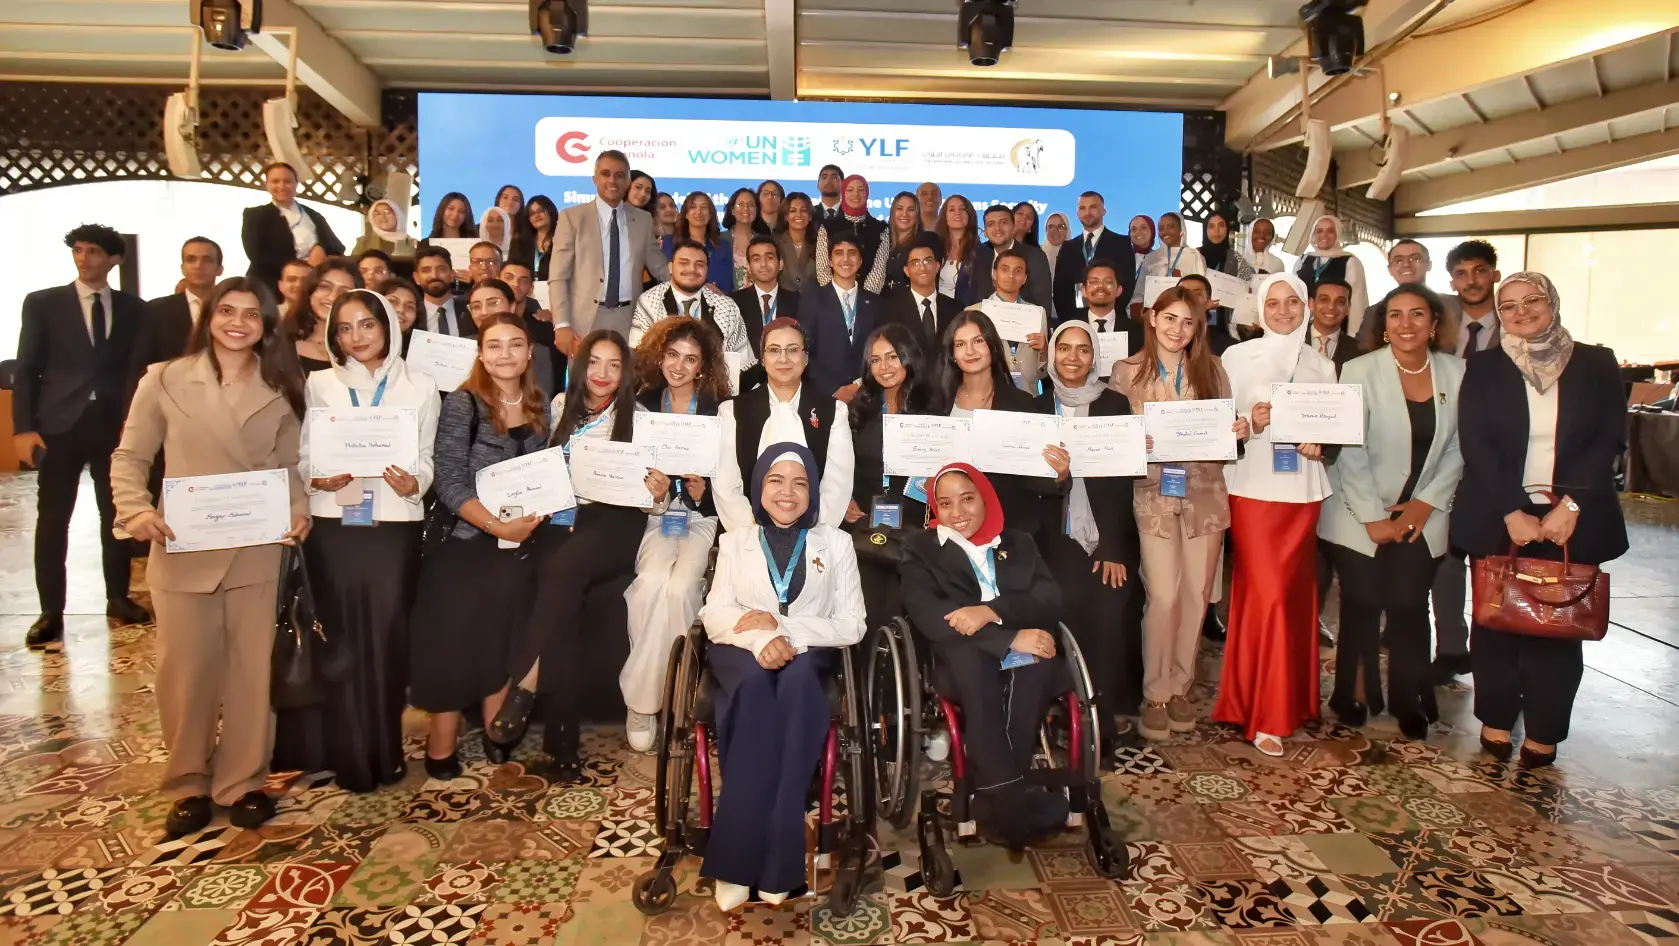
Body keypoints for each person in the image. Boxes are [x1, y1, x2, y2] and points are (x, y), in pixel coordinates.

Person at [110, 276, 310, 836]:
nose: (237, 323)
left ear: (266, 325)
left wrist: (300, 511)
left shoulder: (281, 385)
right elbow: (130, 456)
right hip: (184, 544)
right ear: (209, 317)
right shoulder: (165, 379)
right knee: (186, 674)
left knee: (251, 673)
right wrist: (135, 510)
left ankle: (243, 782)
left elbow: (291, 466)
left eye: (251, 314)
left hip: (256, 546)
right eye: (227, 311)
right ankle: (188, 784)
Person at [1454, 272, 1626, 769]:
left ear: (1552, 302)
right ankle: (1495, 718)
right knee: (1495, 623)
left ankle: (1545, 731)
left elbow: (1609, 438)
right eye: (1508, 305)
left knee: (1558, 628)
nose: (1522, 311)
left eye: (1532, 300)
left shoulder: (1595, 362)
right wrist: (1511, 510)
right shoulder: (1485, 366)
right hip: (1499, 513)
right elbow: (1476, 442)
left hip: (1574, 515)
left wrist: (1570, 505)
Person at [276, 290, 438, 791]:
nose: (356, 336)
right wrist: (317, 478)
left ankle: (385, 750)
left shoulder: (421, 385)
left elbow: (427, 457)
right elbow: (306, 454)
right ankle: (350, 756)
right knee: (341, 640)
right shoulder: (320, 383)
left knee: (386, 639)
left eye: (367, 324)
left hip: (393, 525)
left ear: (387, 326)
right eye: (345, 328)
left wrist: (416, 483)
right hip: (335, 524)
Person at [488, 331, 667, 777]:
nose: (602, 374)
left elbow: (655, 500)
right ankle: (562, 744)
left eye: (614, 365)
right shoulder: (558, 405)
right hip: (565, 516)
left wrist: (660, 493)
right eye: (595, 362)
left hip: (617, 521)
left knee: (562, 569)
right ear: (580, 365)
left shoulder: (641, 417)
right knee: (557, 596)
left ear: (625, 373)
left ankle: (524, 684)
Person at [700, 442, 867, 911]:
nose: (787, 492)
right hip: (740, 650)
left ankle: (778, 865)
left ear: (813, 492)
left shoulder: (836, 543)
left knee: (796, 688)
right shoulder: (735, 541)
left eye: (800, 483)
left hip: (807, 650)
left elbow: (853, 623)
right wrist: (760, 639)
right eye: (776, 481)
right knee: (754, 687)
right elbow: (714, 613)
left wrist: (783, 628)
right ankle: (736, 865)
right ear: (759, 487)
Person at [1319, 284, 1465, 738]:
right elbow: (1349, 448)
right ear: (1383, 325)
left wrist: (1424, 503)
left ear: (1434, 323)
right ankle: (1354, 693)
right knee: (1362, 601)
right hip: (1356, 509)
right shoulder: (1358, 370)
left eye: (1417, 314)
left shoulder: (1457, 373)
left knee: (1408, 604)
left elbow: (1461, 446)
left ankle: (1409, 698)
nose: (1406, 324)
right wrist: (1373, 517)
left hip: (1424, 513)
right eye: (1395, 314)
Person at [408, 315, 549, 779]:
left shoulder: (539, 406)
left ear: (529, 353)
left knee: (500, 639)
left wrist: (535, 517)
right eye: (495, 345)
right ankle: (442, 739)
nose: (505, 354)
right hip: (462, 545)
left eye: (515, 344)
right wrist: (494, 525)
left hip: (514, 549)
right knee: (450, 644)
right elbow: (448, 480)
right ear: (481, 354)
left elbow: (544, 478)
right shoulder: (462, 403)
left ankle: (495, 731)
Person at [899, 463, 1069, 847]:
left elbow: (1049, 598)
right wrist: (1008, 639)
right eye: (945, 503)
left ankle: (999, 799)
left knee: (1034, 667)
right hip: (962, 657)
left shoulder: (1020, 542)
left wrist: (992, 611)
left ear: (985, 497)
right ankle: (1011, 805)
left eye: (967, 499)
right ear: (935, 508)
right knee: (973, 667)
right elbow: (928, 613)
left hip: (1026, 650)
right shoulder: (921, 548)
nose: (957, 512)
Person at [1110, 286, 1245, 742]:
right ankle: (1154, 692)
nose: (1177, 329)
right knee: (1164, 596)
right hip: (1152, 497)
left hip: (1204, 496)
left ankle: (1180, 685)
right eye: (1170, 318)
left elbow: (1227, 438)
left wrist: (1238, 431)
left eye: (1188, 322)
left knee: (1196, 595)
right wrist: (1134, 442)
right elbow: (1113, 437)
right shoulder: (1126, 372)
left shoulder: (1214, 370)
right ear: (1152, 318)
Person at [1212, 274, 1334, 755]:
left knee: (1295, 597)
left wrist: (1321, 442)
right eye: (1273, 303)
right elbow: (1220, 422)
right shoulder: (1236, 357)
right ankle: (1264, 712)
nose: (1283, 311)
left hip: (1303, 493)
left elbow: (1333, 425)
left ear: (1306, 306)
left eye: (1292, 302)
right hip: (1255, 491)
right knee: (1267, 597)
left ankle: (1288, 700)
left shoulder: (1322, 363)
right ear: (1259, 310)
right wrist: (1249, 423)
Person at [14, 225, 151, 646]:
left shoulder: (134, 309)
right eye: (77, 249)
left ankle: (118, 598)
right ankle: (50, 612)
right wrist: (24, 428)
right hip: (59, 426)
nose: (83, 257)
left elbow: (139, 369)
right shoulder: (43, 303)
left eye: (92, 251)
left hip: (114, 426)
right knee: (53, 519)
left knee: (117, 515)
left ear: (114, 259)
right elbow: (27, 368)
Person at [622, 319, 731, 752]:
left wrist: (705, 495)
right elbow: (629, 474)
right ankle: (644, 703)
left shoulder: (719, 410)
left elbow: (732, 478)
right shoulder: (642, 404)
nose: (679, 366)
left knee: (682, 588)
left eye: (690, 359)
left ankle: (678, 695)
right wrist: (655, 494)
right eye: (672, 355)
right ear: (659, 356)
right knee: (649, 584)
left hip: (701, 518)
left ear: (703, 366)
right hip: (658, 515)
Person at [1034, 321, 1143, 746]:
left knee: (1108, 615)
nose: (1073, 357)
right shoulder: (1036, 407)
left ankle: (1102, 719)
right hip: (1053, 536)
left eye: (1083, 349)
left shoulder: (1114, 403)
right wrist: (1058, 477)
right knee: (1069, 606)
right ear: (1052, 354)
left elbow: (1121, 482)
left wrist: (1112, 547)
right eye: (1064, 348)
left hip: (1106, 536)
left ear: (1094, 357)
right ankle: (1066, 711)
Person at [1430, 239, 1504, 683]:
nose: (1471, 281)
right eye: (1461, 273)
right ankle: (1452, 648)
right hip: (1444, 455)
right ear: (1452, 280)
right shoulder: (1439, 330)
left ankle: (1495, 649)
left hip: (1497, 460)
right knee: (1446, 555)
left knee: (1495, 561)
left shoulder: (1515, 328)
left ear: (1494, 274)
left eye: (1479, 271)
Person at [715, 318, 854, 533]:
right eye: (773, 350)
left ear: (806, 357)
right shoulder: (732, 411)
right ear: (762, 359)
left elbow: (837, 484)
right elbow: (726, 485)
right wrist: (754, 534)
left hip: (814, 534)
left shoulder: (833, 411)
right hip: (748, 533)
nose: (783, 358)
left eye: (793, 350)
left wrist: (813, 534)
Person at [846, 322, 940, 627]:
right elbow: (843, 463)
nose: (884, 367)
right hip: (863, 518)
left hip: (913, 520)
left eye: (892, 357)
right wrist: (844, 499)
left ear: (908, 357)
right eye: (875, 360)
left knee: (900, 606)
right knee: (867, 604)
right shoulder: (860, 408)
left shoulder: (933, 407)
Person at [939, 310, 1057, 539]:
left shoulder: (1020, 404)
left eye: (978, 341)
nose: (970, 351)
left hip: (1006, 528)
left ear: (992, 347)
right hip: (950, 528)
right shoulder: (937, 402)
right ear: (952, 354)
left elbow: (1036, 480)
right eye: (960, 344)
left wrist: (1058, 473)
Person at [548, 150, 671, 355]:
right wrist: (561, 324)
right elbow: (558, 276)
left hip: (630, 319)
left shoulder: (643, 220)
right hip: (584, 321)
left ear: (628, 181)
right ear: (594, 178)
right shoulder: (572, 217)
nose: (612, 180)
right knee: (585, 375)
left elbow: (659, 267)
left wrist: (694, 284)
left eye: (620, 175)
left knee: (628, 374)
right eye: (605, 174)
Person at [631, 239, 755, 363]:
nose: (692, 269)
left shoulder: (726, 306)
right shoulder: (649, 301)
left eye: (700, 264)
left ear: (707, 270)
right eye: (684, 263)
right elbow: (641, 356)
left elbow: (742, 361)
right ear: (670, 268)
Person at [802, 230, 885, 399]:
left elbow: (882, 350)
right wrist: (834, 389)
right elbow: (803, 351)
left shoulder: (876, 303)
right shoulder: (811, 301)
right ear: (830, 261)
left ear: (860, 261)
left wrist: (859, 385)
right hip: (823, 395)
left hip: (866, 393)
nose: (846, 259)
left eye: (852, 253)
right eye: (839, 253)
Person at [242, 162, 345, 294]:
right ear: (266, 185)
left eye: (287, 181)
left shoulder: (313, 215)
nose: (282, 186)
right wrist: (299, 267)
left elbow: (336, 247)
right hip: (269, 286)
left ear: (296, 184)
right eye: (275, 181)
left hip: (310, 284)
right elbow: (255, 255)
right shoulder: (256, 215)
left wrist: (320, 248)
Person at [965, 246, 1049, 391]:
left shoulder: (1038, 314)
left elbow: (1043, 373)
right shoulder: (973, 312)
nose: (1011, 276)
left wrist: (1044, 352)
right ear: (994, 274)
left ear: (1025, 278)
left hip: (1027, 394)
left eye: (1018, 271)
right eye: (1005, 269)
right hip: (987, 393)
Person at [1356, 240, 1462, 352]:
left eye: (1415, 259)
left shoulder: (1455, 304)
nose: (1406, 265)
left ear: (1429, 265)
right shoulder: (1373, 312)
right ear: (1390, 269)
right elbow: (1362, 351)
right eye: (1398, 261)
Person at [143, 236, 224, 366]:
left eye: (207, 260)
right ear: (182, 268)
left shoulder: (233, 309)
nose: (198, 266)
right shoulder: (156, 310)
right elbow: (141, 360)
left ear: (220, 269)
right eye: (191, 260)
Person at [1053, 192, 1130, 323]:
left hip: (1110, 322)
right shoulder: (1067, 247)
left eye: (1093, 207)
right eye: (1082, 208)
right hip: (1074, 322)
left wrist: (1105, 318)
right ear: (1077, 213)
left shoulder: (1121, 243)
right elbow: (1059, 290)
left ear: (1104, 211)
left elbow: (1126, 286)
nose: (1087, 212)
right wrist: (1070, 321)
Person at [884, 233, 960, 356]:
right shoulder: (889, 310)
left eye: (927, 261)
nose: (922, 267)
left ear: (937, 266)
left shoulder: (956, 309)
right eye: (915, 263)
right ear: (906, 271)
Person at [1294, 215, 1369, 336]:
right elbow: (1294, 294)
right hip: (1303, 329)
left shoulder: (1350, 262)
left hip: (1336, 329)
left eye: (1330, 231)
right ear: (1313, 234)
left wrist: (1353, 336)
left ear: (1337, 233)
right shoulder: (1303, 260)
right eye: (1319, 231)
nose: (1324, 235)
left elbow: (1357, 303)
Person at [972, 204, 1053, 316]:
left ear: (1014, 228)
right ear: (985, 232)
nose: (997, 228)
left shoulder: (1035, 257)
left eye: (1003, 222)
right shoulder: (977, 256)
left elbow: (1043, 305)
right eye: (991, 224)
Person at [815, 175, 890, 293]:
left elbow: (878, 271)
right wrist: (837, 297)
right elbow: (822, 269)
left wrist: (862, 299)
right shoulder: (828, 227)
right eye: (850, 190)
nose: (856, 194)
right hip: (832, 298)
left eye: (861, 190)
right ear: (843, 193)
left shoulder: (880, 229)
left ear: (866, 194)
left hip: (869, 298)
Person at [730, 234, 800, 359]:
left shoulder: (798, 302)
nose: (763, 264)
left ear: (780, 264)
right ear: (748, 267)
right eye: (756, 259)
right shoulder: (733, 303)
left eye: (769, 257)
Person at [286, 260, 361, 375]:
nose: (333, 297)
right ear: (310, 290)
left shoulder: (363, 346)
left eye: (344, 291)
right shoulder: (280, 342)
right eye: (325, 287)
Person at [1075, 259, 1144, 374]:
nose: (1100, 286)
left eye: (1108, 282)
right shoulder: (1070, 328)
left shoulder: (1137, 332)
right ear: (1084, 291)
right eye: (1093, 282)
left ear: (1119, 290)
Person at [1200, 210, 1257, 340]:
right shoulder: (1194, 256)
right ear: (1205, 230)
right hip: (1196, 324)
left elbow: (1247, 289)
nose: (1217, 231)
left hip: (1226, 326)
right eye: (1211, 226)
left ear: (1227, 230)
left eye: (1221, 225)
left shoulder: (1237, 259)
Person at [663, 192, 735, 293]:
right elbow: (665, 277)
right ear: (686, 214)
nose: (699, 211)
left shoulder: (723, 246)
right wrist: (702, 285)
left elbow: (728, 284)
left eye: (704, 207)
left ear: (710, 215)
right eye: (693, 207)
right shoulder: (668, 243)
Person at [414, 245, 471, 337]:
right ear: (416, 278)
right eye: (426, 271)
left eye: (441, 270)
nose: (434, 276)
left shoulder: (471, 310)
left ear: (452, 275)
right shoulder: (412, 315)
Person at [1307, 278, 1359, 373]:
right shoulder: (1292, 341)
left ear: (1348, 308)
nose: (1331, 307)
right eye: (1324, 300)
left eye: (1340, 302)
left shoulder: (1359, 351)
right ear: (1311, 304)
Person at [935, 195, 981, 306]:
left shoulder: (981, 252)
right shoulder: (935, 248)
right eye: (951, 209)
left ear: (969, 215)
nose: (957, 213)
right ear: (944, 216)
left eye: (962, 209)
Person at [881, 191, 924, 297]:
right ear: (892, 212)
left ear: (917, 214)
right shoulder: (881, 239)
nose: (904, 214)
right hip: (881, 302)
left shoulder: (924, 242)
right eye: (899, 208)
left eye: (911, 210)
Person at [775, 192, 819, 294]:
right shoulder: (775, 242)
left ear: (810, 216)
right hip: (783, 300)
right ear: (786, 216)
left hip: (814, 300)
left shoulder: (820, 243)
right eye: (793, 211)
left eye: (803, 210)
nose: (798, 214)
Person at [1142, 213, 1205, 281]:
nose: (1165, 231)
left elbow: (1202, 283)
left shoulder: (1194, 255)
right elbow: (1140, 286)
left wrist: (1182, 276)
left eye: (1170, 227)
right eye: (1161, 228)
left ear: (1181, 229)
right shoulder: (1151, 258)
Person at [511, 195, 559, 280]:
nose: (536, 215)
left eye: (540, 210)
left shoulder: (563, 241)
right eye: (532, 213)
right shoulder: (519, 244)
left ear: (550, 211)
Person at [722, 187, 761, 291]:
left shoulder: (764, 242)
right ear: (732, 210)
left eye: (751, 205)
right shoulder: (719, 240)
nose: (746, 208)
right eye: (740, 204)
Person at [378, 276, 421, 355]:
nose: (401, 310)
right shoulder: (358, 343)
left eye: (409, 307)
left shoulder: (418, 354)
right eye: (392, 301)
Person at [1123, 215, 1156, 312]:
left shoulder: (1159, 259)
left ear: (1152, 231)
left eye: (1143, 228)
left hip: (1145, 313)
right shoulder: (1121, 257)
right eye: (1133, 229)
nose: (1138, 232)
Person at [1042, 211, 1070, 279]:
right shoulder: (1036, 254)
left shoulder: (1077, 255)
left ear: (1067, 230)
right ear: (1046, 230)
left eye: (1061, 226)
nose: (1055, 230)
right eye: (1050, 227)